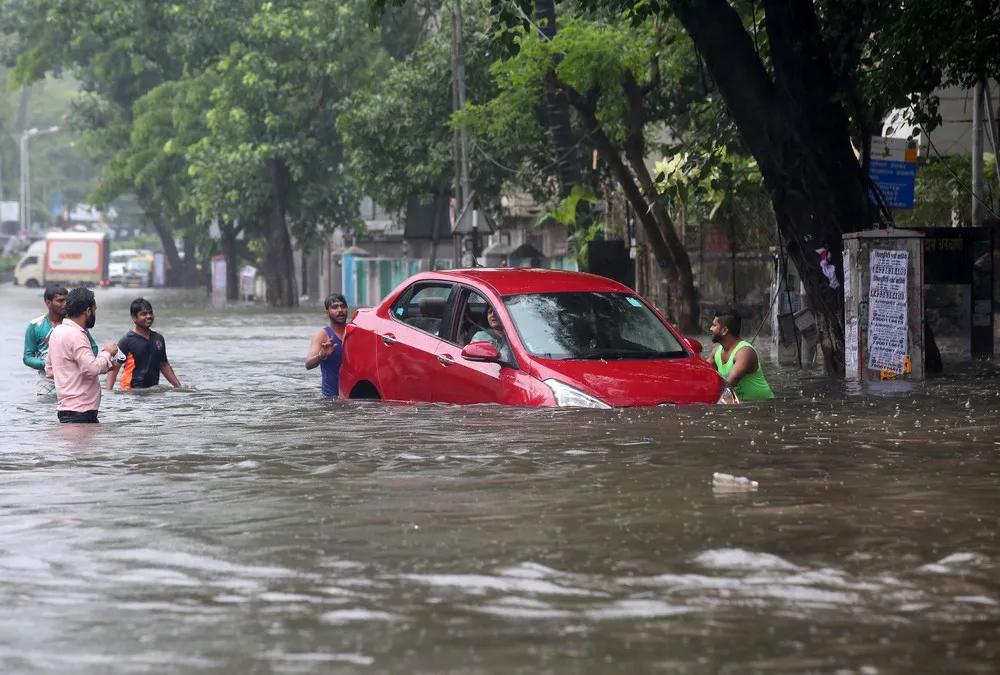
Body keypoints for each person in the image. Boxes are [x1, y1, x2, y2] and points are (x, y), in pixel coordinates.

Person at [45, 287, 119, 423]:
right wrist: (107, 353)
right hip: (81, 413)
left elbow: (50, 371)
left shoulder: (57, 332)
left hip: (65, 411)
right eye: (94, 310)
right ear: (88, 311)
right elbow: (92, 368)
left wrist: (105, 366)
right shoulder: (77, 335)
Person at [24, 285, 99, 397]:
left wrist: (82, 362)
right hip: (47, 384)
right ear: (48, 303)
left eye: (67, 300)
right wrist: (46, 364)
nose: (65, 304)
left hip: (74, 382)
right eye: (60, 301)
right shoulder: (35, 326)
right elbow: (27, 357)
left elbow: (93, 348)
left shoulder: (76, 323)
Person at [107, 298, 182, 390]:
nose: (149, 316)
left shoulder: (158, 339)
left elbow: (164, 365)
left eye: (150, 313)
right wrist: (108, 391)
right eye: (144, 314)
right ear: (134, 318)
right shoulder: (126, 341)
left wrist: (178, 387)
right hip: (130, 392)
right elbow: (115, 367)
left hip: (152, 391)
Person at [708, 307, 774, 401]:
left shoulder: (745, 352)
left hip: (762, 407)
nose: (711, 329)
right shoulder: (716, 352)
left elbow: (729, 384)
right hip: (742, 406)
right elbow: (702, 372)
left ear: (724, 331)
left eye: (714, 325)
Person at [305, 293, 348, 397]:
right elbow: (308, 365)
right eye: (335, 307)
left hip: (355, 397)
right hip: (331, 399)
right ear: (327, 313)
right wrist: (321, 355)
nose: (340, 310)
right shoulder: (322, 336)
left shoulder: (355, 331)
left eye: (343, 306)